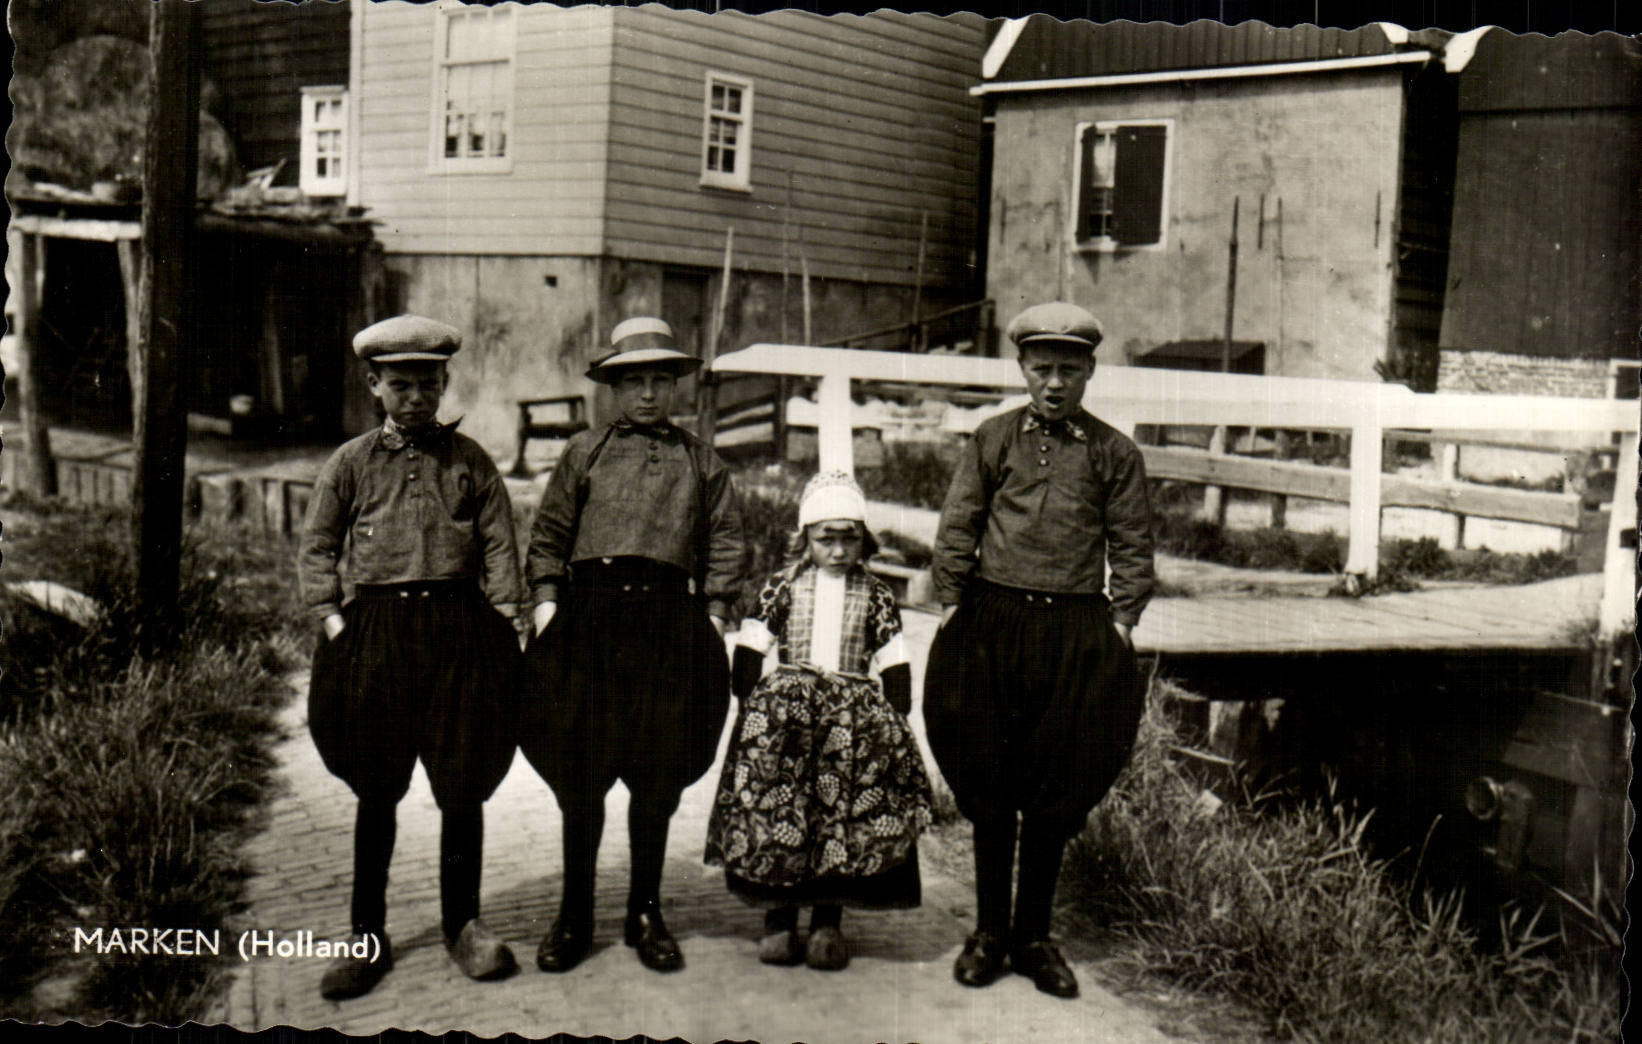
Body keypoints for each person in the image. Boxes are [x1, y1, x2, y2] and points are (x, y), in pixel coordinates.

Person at [923, 301, 1155, 999]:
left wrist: (1120, 624)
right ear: (1023, 369)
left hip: (1075, 632)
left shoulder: (1115, 452)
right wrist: (951, 602)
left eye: (1070, 370)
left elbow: (1133, 546)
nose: (1055, 383)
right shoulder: (993, 439)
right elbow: (958, 522)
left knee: (1057, 786)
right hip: (994, 622)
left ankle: (1035, 936)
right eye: (1042, 368)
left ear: (1089, 372)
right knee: (991, 785)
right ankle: (990, 932)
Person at [298, 314, 524, 1000]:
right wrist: (335, 624)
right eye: (401, 384)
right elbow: (316, 549)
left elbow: (499, 544)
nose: (417, 396)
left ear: (444, 382)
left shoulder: (471, 461)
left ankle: (465, 926)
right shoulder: (351, 462)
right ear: (375, 385)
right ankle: (367, 936)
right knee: (377, 787)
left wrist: (505, 618)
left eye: (429, 383)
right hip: (379, 633)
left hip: (458, 629)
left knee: (463, 783)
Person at [520, 317, 743, 974]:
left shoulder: (701, 459)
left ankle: (645, 911)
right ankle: (575, 913)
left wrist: (718, 612)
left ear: (675, 387)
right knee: (580, 777)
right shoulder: (583, 452)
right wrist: (546, 608)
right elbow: (550, 533)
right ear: (613, 388)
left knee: (657, 774)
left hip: (668, 625)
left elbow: (725, 540)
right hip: (588, 623)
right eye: (633, 382)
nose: (648, 394)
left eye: (659, 381)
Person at [705, 470, 934, 971]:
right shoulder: (782, 587)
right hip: (788, 718)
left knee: (840, 816)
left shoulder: (874, 594)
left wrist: (897, 703)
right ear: (805, 537)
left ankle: (827, 923)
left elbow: (892, 652)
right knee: (781, 809)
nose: (836, 550)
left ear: (863, 539)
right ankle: (779, 922)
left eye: (848, 538)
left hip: (850, 722)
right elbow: (754, 638)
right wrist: (745, 689)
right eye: (824, 538)